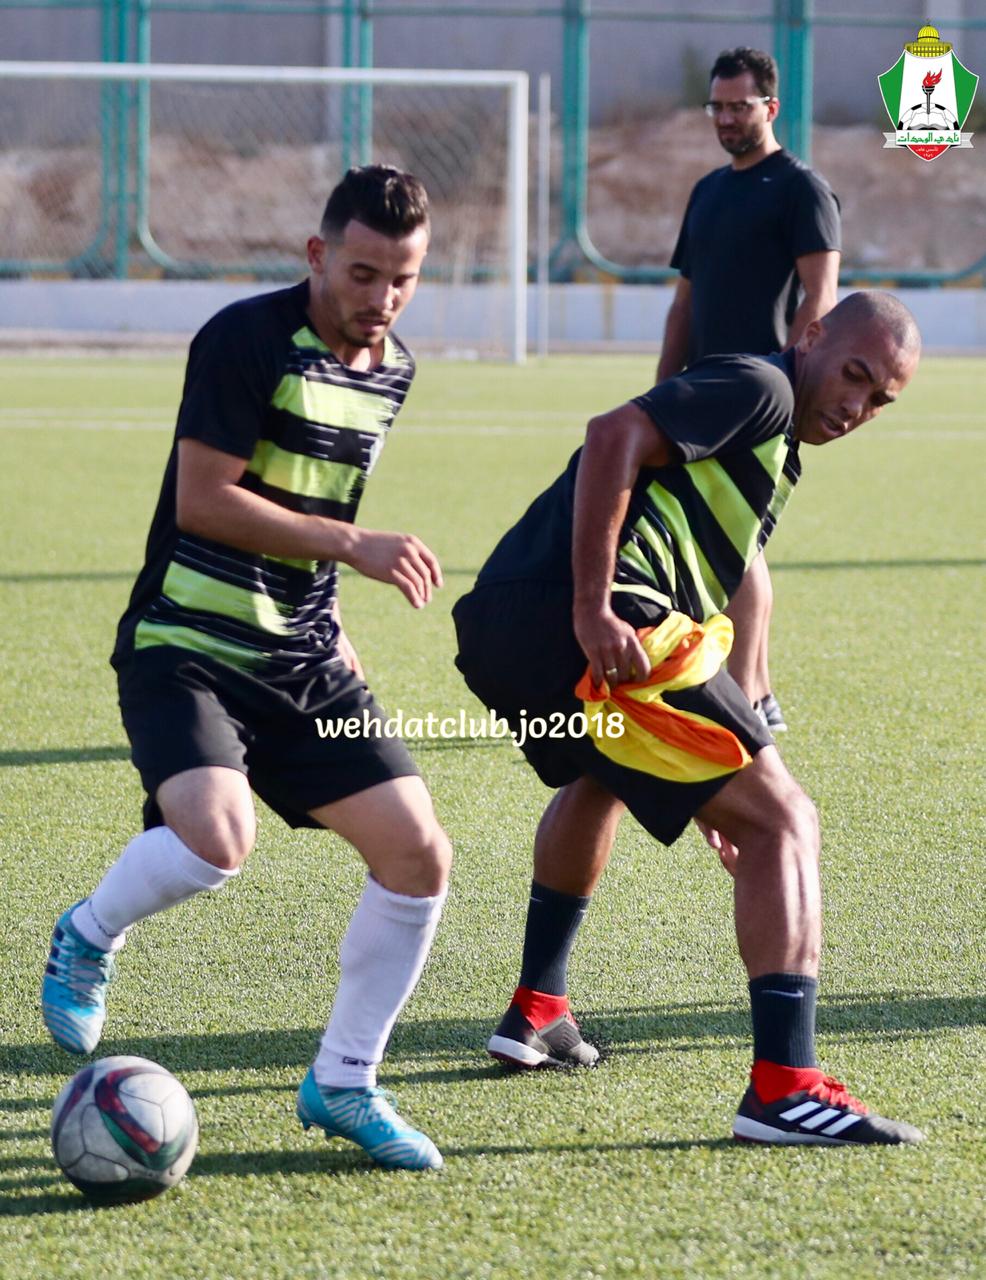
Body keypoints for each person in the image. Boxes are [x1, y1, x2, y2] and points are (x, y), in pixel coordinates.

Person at [41, 165, 450, 1172]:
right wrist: (352, 547)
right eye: (362, 273)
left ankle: (344, 1080)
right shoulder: (244, 338)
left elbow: (319, 499)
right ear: (318, 255)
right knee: (218, 840)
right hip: (185, 644)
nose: (381, 298)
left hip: (302, 654)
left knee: (417, 854)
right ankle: (89, 932)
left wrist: (333, 614)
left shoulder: (391, 368)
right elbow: (206, 498)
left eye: (402, 279)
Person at [454, 291, 924, 1145]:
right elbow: (612, 435)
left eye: (880, 399)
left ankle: (537, 1008)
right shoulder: (764, 388)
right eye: (854, 374)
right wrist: (593, 608)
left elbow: (714, 586)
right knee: (785, 821)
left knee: (601, 780)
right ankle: (786, 1089)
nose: (857, 405)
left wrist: (714, 755)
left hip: (506, 621)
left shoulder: (770, 450)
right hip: (590, 616)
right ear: (813, 335)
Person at [658, 47, 842, 734]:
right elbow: (684, 302)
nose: (727, 118)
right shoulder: (708, 191)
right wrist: (661, 390)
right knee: (723, 540)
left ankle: (749, 696)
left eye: (740, 106)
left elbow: (820, 296)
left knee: (739, 541)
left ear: (771, 107)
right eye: (718, 106)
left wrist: (790, 381)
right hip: (698, 393)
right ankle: (755, 694)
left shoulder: (802, 189)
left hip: (762, 394)